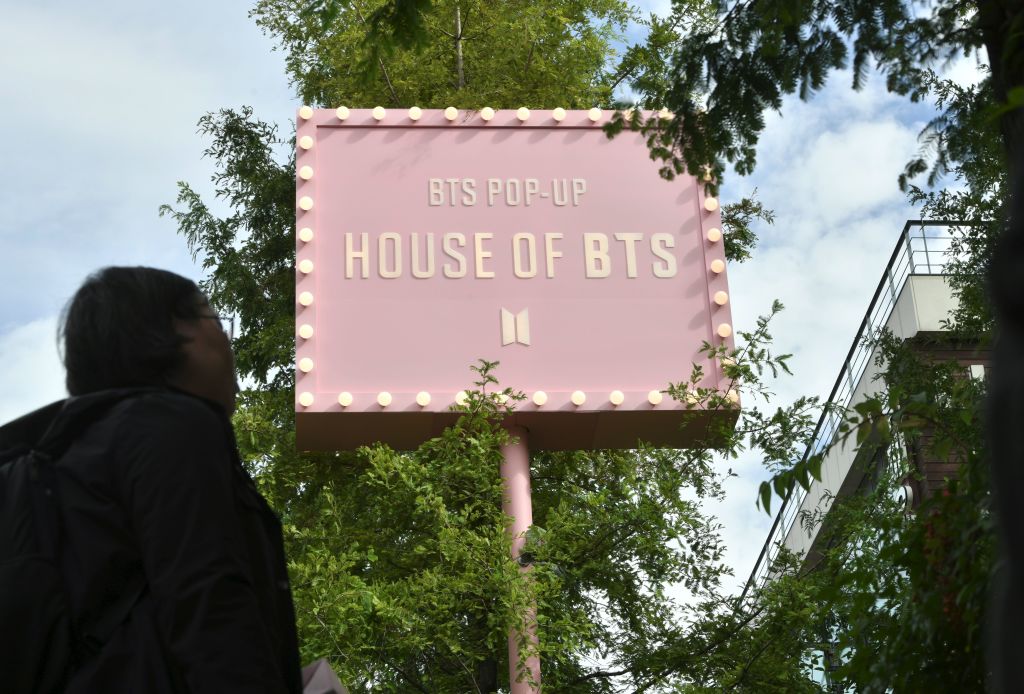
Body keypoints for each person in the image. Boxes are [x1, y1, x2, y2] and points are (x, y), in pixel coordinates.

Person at [0, 266, 303, 693]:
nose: (227, 342)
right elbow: (209, 602)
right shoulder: (173, 425)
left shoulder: (71, 455)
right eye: (215, 320)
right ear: (171, 333)